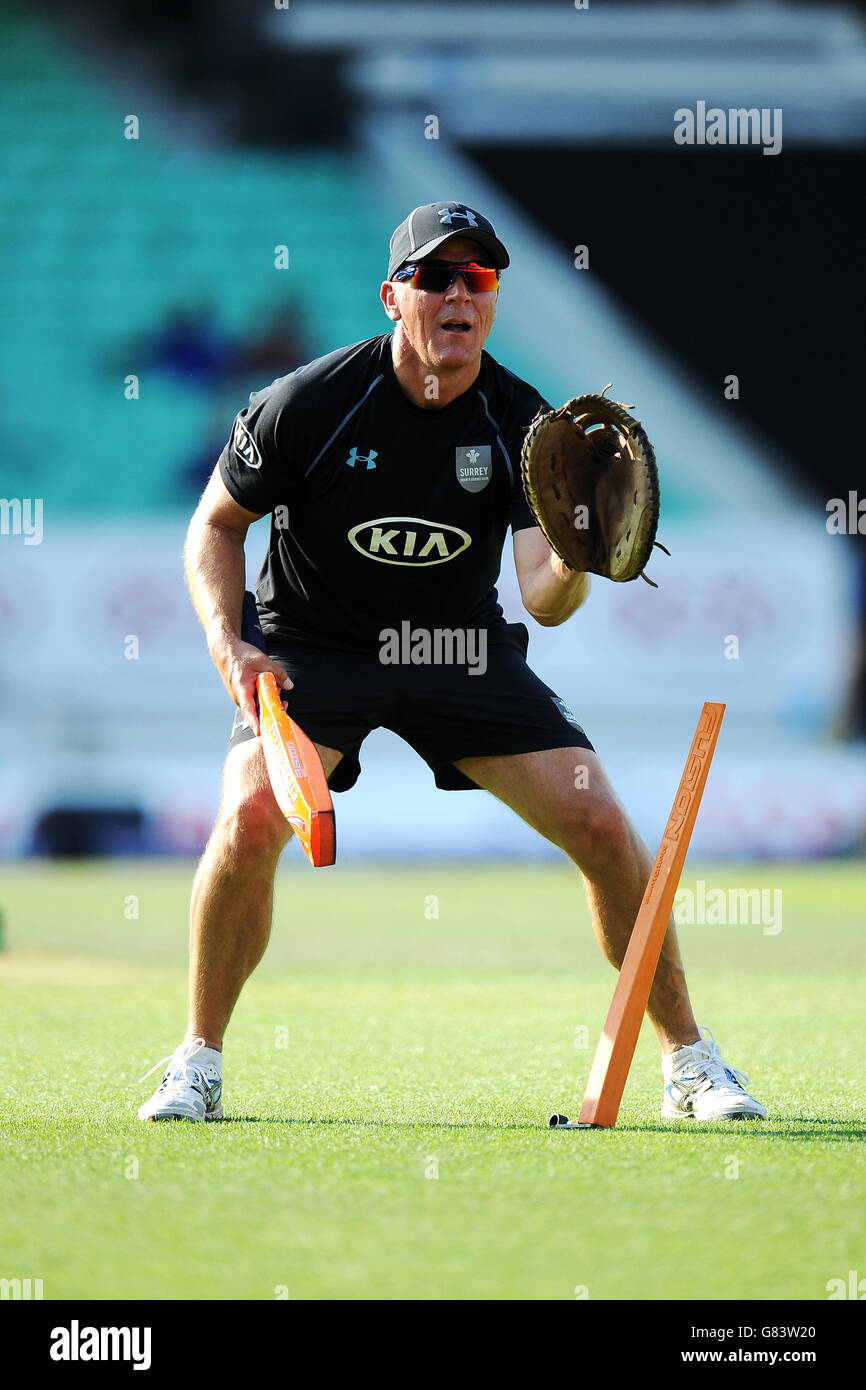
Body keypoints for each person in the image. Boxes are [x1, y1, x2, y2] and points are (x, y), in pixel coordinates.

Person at [139, 202, 765, 1124]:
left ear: (493, 303)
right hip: (316, 647)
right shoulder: (306, 403)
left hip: (457, 651)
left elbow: (542, 598)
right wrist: (228, 642)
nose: (458, 295)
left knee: (598, 819)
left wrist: (580, 550)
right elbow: (215, 526)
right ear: (395, 297)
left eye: (478, 280)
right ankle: (197, 1061)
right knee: (249, 815)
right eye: (437, 278)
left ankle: (689, 1062)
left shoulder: (523, 422)